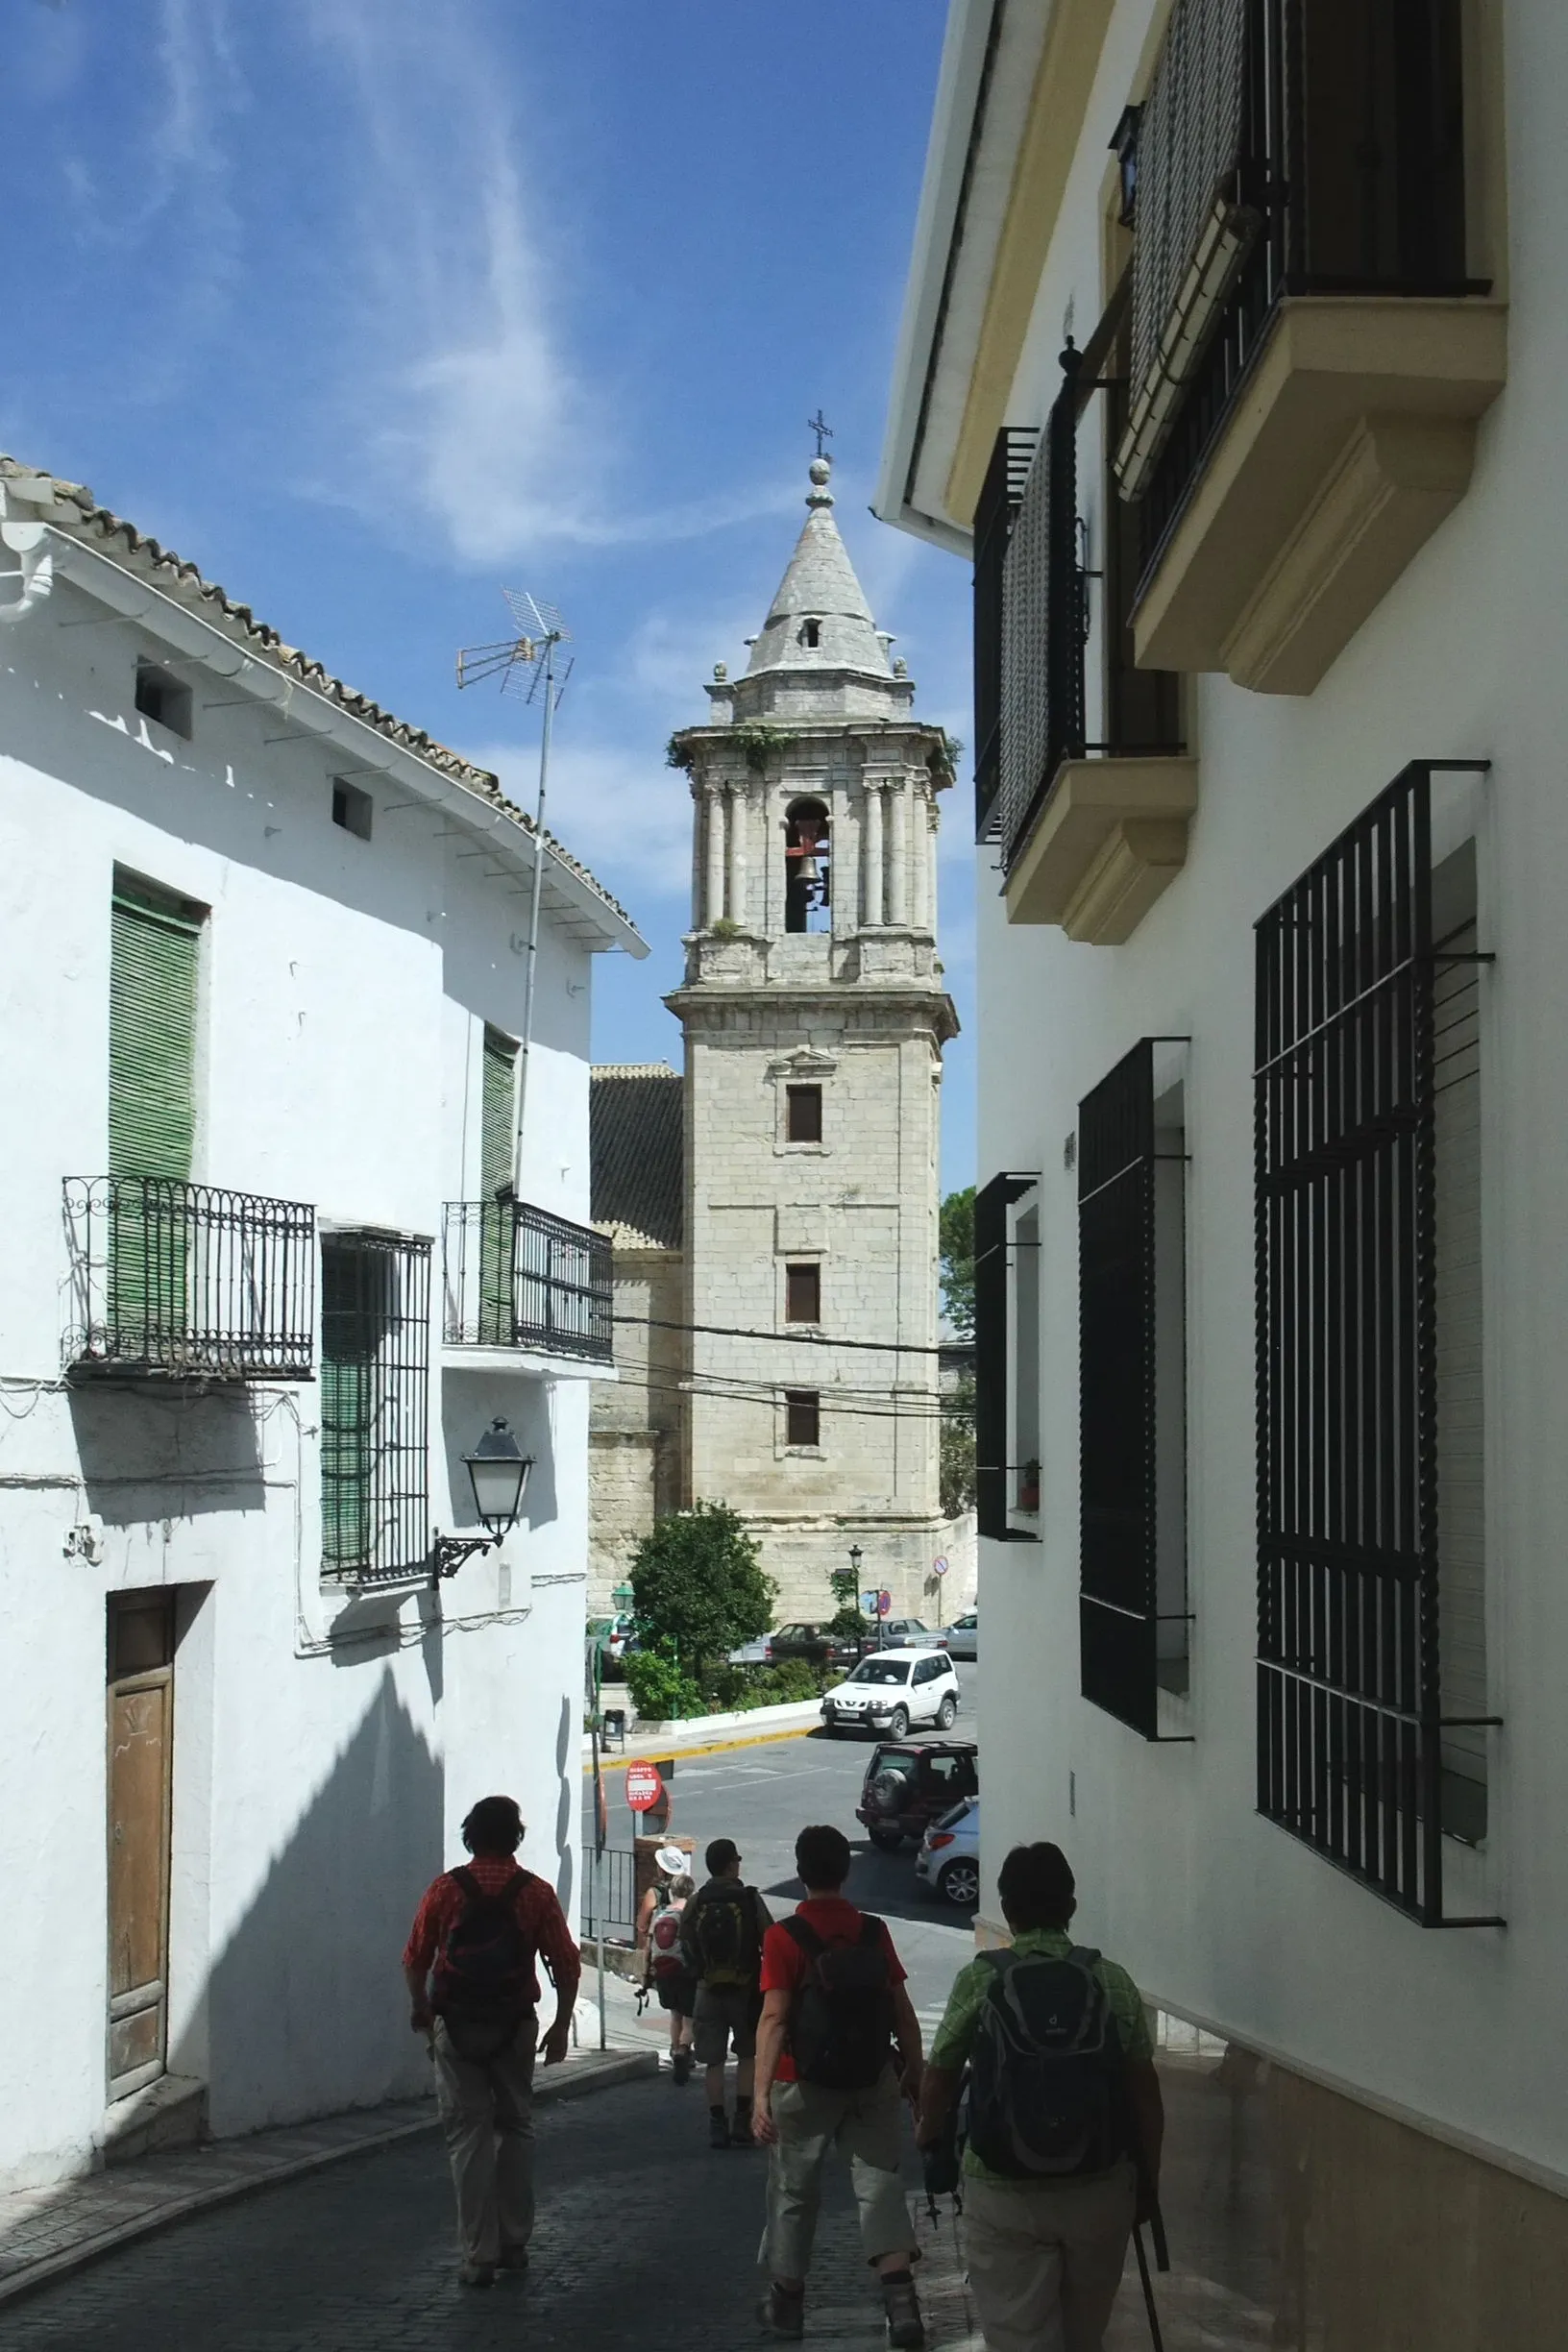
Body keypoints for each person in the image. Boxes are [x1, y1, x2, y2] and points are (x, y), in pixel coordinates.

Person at [916, 1842, 1164, 2352]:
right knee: (1083, 2337)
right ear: (1071, 1906)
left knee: (1018, 2336)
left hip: (1003, 2188)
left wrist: (928, 2134)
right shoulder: (1110, 1980)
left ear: (1006, 1910)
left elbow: (940, 2072)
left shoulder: (982, 1978)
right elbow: (1145, 2094)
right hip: (1099, 2184)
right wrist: (1147, 2183)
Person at [752, 1823, 926, 2347]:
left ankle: (786, 2307)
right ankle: (902, 2308)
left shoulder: (784, 1937)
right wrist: (914, 2076)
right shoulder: (873, 1931)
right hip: (872, 2078)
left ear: (802, 1872)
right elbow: (901, 2010)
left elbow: (774, 2018)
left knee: (793, 2191)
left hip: (801, 2084)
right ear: (846, 1872)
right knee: (880, 2187)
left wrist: (758, 2096)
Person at [403, 1795, 580, 2290]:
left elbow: (416, 1957)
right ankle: (515, 2242)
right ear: (516, 1838)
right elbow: (566, 1964)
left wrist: (421, 2006)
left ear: (470, 1836)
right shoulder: (536, 1893)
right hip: (514, 2025)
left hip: (456, 2024)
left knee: (467, 2135)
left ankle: (478, 2254)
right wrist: (561, 2024)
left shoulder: (445, 1890)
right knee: (517, 2125)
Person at [679, 1834, 772, 2147]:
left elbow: (685, 1941)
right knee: (748, 2055)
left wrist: (700, 1971)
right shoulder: (748, 1899)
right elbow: (770, 1939)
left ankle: (717, 2123)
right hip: (745, 1990)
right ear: (732, 1864)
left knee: (713, 2062)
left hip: (708, 1989)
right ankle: (742, 2120)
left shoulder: (698, 1901)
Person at [644, 1870, 698, 2083]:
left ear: (672, 1891)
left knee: (675, 2014)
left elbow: (648, 1946)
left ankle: (675, 2049)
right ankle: (684, 2050)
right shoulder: (688, 1916)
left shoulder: (660, 1915)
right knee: (689, 2017)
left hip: (664, 1972)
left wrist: (645, 1973)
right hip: (685, 1971)